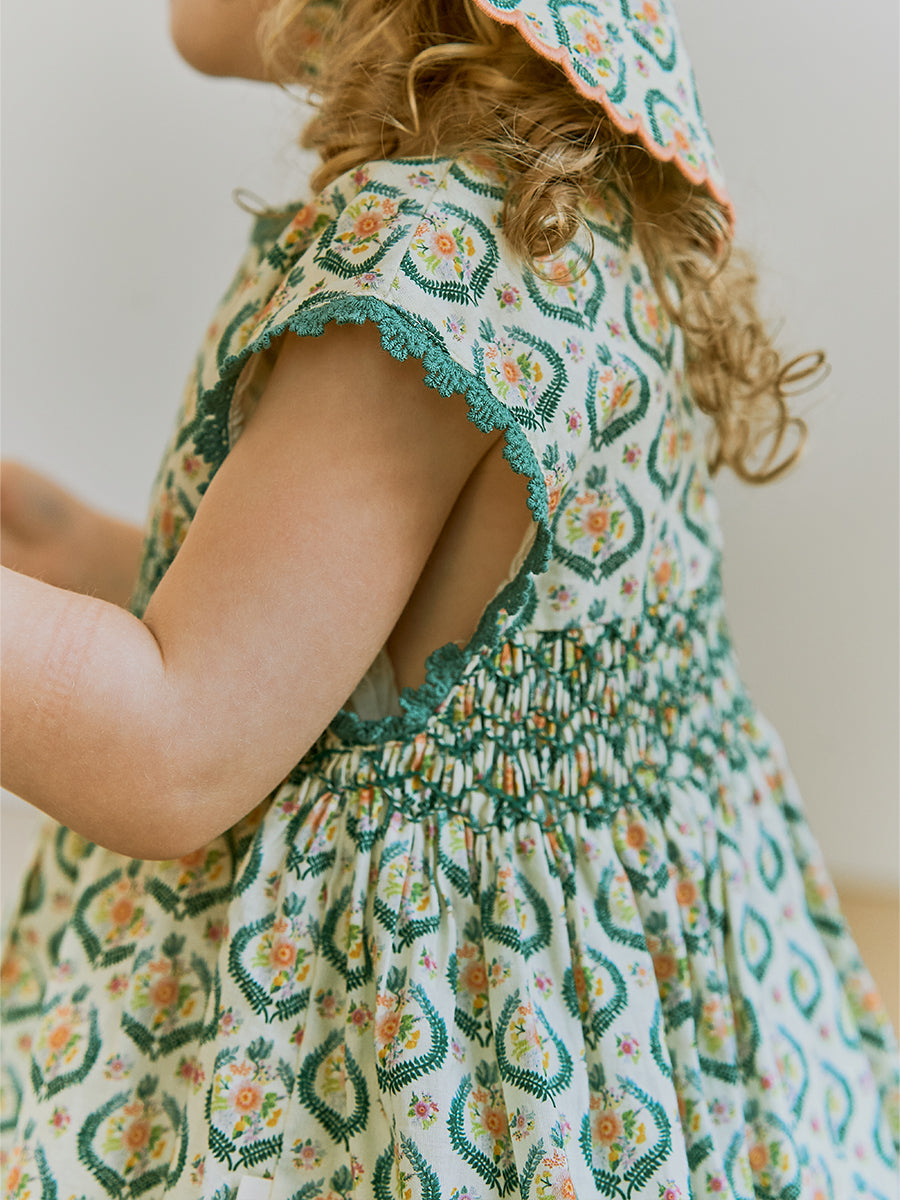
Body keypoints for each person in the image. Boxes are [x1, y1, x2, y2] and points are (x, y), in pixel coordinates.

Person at [1, 0, 897, 1196]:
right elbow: (343, 654)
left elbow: (175, 752)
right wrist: (74, 556)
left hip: (424, 1061)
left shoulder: (424, 270)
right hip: (609, 1018)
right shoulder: (544, 201)